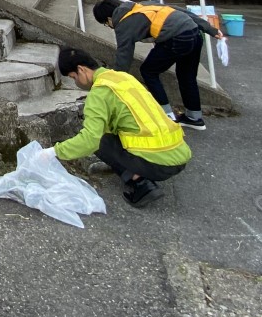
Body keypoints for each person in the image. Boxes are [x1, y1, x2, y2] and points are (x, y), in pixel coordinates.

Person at [48, 46, 191, 207]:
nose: (76, 83)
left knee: (99, 138)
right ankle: (135, 168)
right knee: (106, 128)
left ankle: (140, 183)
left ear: (81, 69)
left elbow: (90, 140)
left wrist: (54, 152)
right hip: (180, 154)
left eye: (74, 77)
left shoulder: (99, 93)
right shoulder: (122, 77)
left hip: (159, 165)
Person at [93, 0, 225, 131]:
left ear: (109, 19)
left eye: (106, 24)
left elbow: (124, 56)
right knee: (187, 76)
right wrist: (211, 30)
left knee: (148, 71)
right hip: (195, 33)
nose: (109, 26)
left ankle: (166, 116)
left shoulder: (123, 24)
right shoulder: (141, 5)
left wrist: (115, 80)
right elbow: (181, 11)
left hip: (177, 38)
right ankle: (194, 118)